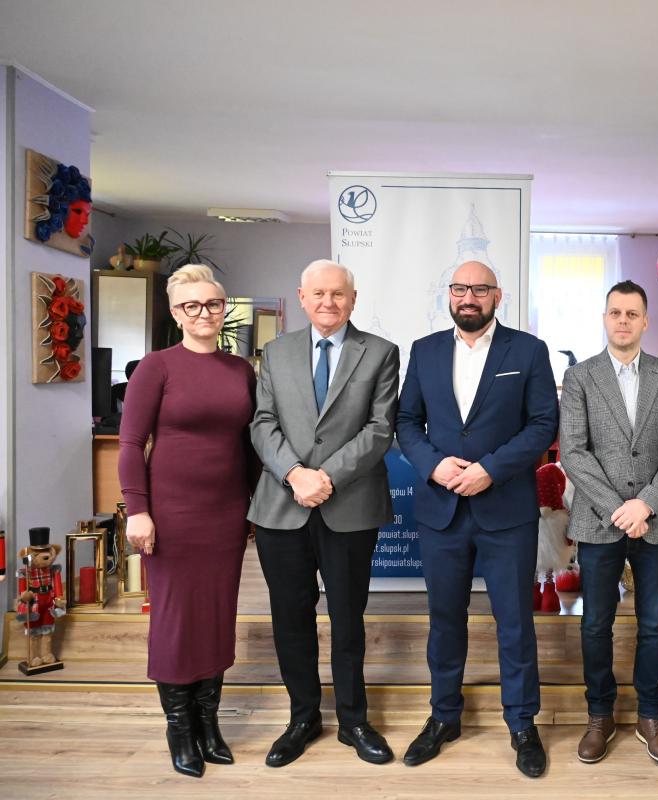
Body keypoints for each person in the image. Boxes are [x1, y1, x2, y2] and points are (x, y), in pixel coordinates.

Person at [396, 260, 558, 778]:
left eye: (480, 289)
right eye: (460, 288)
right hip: (441, 510)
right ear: (450, 294)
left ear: (497, 296)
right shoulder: (424, 350)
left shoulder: (527, 350)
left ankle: (522, 723)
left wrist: (491, 469)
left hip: (506, 509)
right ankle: (444, 716)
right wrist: (433, 465)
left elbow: (542, 424)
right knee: (445, 620)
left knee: (514, 622)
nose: (469, 297)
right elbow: (406, 421)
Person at [249, 259, 400, 768]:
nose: (328, 302)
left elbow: (380, 429)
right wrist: (295, 474)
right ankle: (303, 717)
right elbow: (262, 423)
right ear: (302, 296)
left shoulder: (380, 352)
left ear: (353, 299)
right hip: (281, 505)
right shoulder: (276, 352)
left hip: (349, 506)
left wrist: (326, 477)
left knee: (347, 617)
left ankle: (354, 720)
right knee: (290, 617)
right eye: (318, 293)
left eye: (338, 294)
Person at [118, 265, 257, 778]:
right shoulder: (156, 367)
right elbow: (131, 444)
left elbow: (249, 445)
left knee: (217, 616)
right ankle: (180, 728)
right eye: (191, 305)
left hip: (227, 513)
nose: (204, 313)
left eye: (213, 304)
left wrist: (255, 505)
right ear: (176, 313)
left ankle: (208, 724)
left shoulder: (240, 370)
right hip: (171, 515)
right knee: (176, 621)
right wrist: (138, 510)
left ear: (224, 308)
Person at [558, 280, 658, 765]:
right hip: (600, 521)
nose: (623, 320)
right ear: (605, 318)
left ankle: (650, 716)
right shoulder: (580, 377)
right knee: (596, 624)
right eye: (615, 312)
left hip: (655, 522)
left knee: (654, 623)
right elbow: (573, 451)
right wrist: (620, 508)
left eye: (632, 313)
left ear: (645, 321)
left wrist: (646, 504)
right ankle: (600, 715)